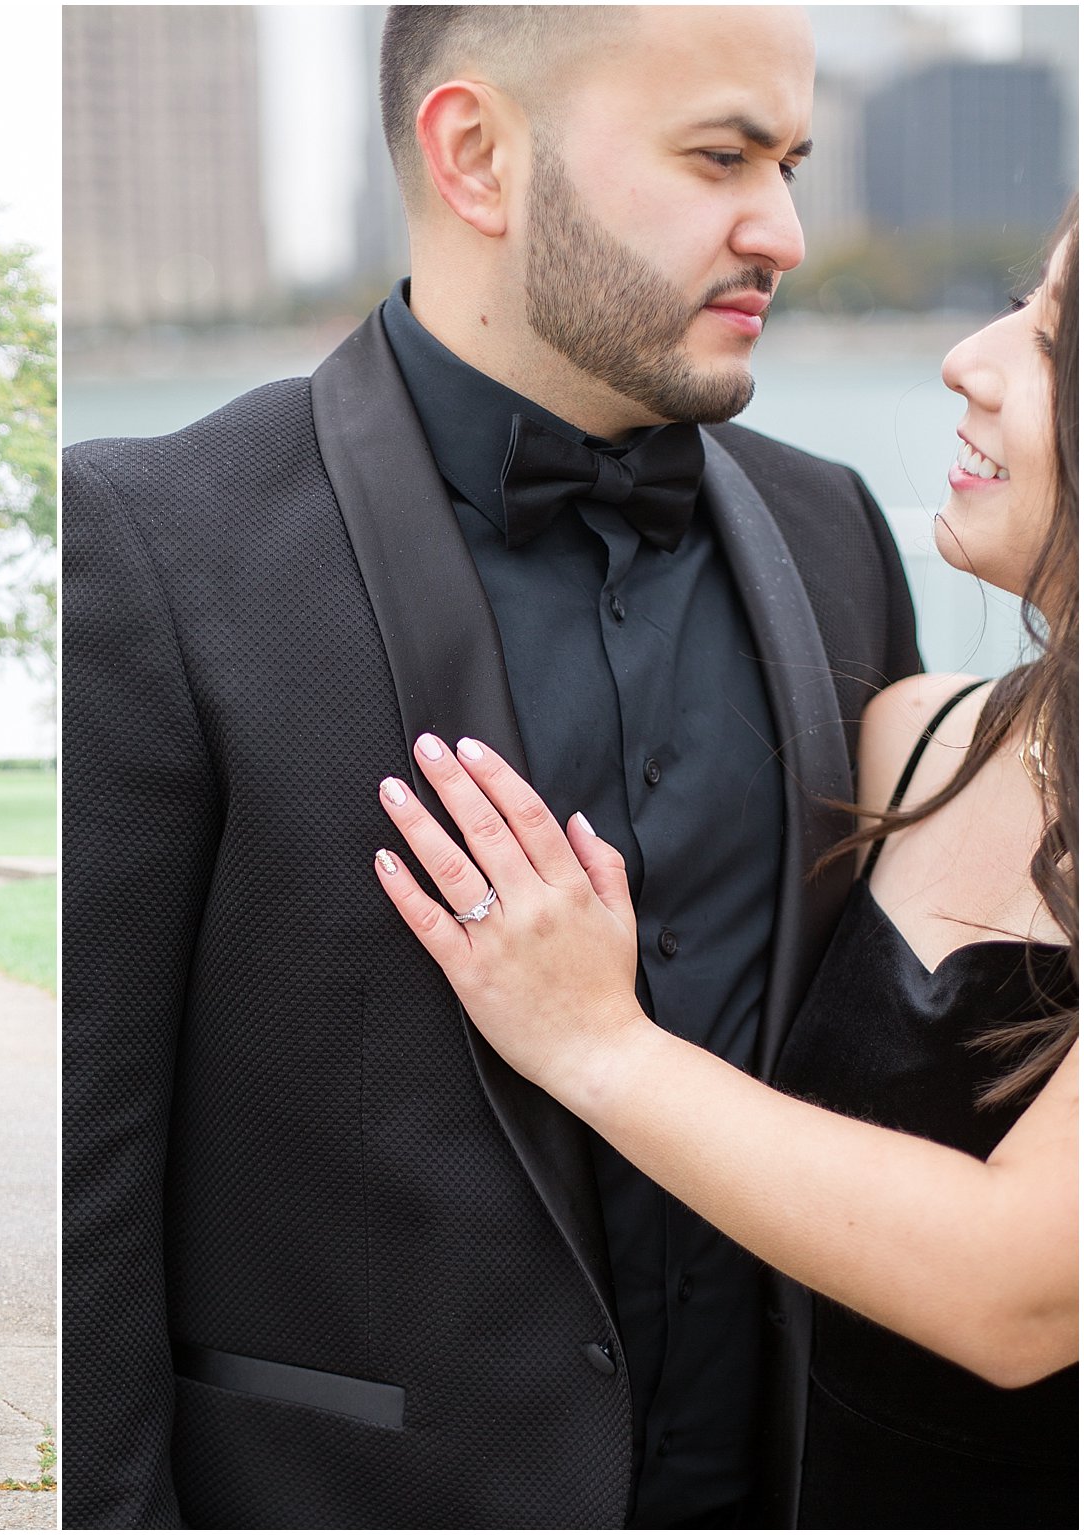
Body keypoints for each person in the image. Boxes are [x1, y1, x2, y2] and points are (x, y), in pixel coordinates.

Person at [63, 7, 923, 1526]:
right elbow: (87, 1203)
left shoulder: (837, 532)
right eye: (722, 155)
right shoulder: (151, 546)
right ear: (476, 155)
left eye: (789, 161)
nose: (783, 228)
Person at [371, 202, 1079, 1528]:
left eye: (1052, 335)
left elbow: (1020, 1291)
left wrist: (594, 1038)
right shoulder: (911, 738)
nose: (968, 360)